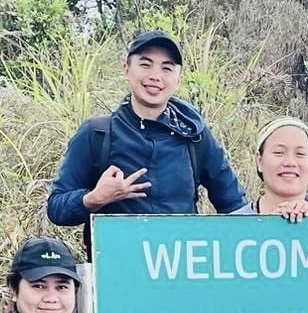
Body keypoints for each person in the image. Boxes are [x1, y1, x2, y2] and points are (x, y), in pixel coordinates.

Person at [46, 29, 248, 238]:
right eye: (145, 64)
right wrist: (94, 198)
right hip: (119, 258)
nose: (155, 76)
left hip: (180, 256)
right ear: (126, 70)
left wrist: (268, 227)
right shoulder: (96, 134)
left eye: (167, 68)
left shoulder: (195, 135)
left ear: (178, 79)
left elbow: (235, 206)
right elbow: (56, 208)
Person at [236, 116, 308, 221]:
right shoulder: (235, 223)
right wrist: (270, 227)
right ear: (260, 161)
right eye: (279, 152)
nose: (290, 162)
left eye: (300, 154)